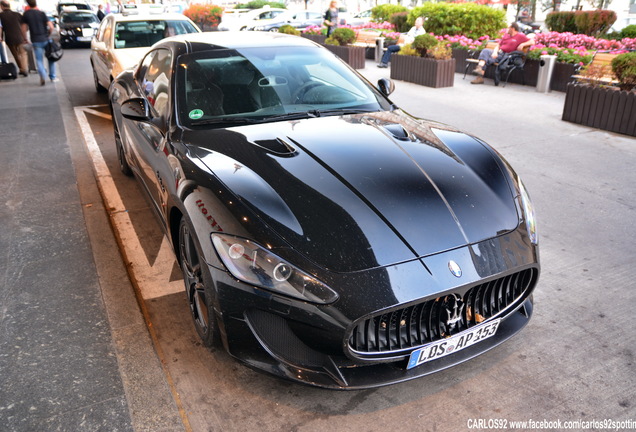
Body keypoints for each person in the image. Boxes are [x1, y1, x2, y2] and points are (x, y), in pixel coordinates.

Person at [22, 0, 56, 85]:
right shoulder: (42, 13)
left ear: (28, 4)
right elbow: (51, 27)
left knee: (39, 60)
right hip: (46, 40)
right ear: (35, 3)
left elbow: (23, 28)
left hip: (36, 41)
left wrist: (25, 38)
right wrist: (49, 35)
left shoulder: (26, 14)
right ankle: (52, 76)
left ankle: (43, 75)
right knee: (51, 58)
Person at [0, 0, 28, 76]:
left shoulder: (1, 16)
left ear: (2, 6)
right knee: (23, 54)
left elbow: (0, 28)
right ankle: (24, 69)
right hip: (20, 37)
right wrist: (25, 37)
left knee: (16, 55)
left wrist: (1, 37)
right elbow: (24, 26)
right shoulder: (18, 14)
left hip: (9, 39)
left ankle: (22, 69)